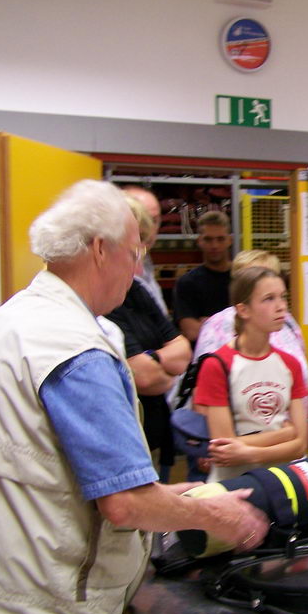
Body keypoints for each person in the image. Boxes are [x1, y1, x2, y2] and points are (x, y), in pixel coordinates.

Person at [0, 180, 267, 614]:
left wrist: (173, 498)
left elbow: (57, 469)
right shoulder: (74, 349)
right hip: (49, 607)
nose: (137, 270)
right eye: (134, 253)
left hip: (2, 586)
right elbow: (123, 502)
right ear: (99, 249)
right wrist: (220, 517)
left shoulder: (16, 318)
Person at [194, 266, 308, 482]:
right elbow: (224, 448)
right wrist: (285, 434)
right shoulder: (217, 365)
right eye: (268, 299)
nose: (281, 307)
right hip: (233, 484)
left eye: (282, 297)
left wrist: (250, 452)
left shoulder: (290, 364)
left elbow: (300, 445)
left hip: (280, 481)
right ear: (243, 310)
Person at [107, 195, 191, 483]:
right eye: (134, 247)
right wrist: (159, 363)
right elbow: (142, 377)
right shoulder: (104, 303)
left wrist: (153, 361)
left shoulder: (137, 290)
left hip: (156, 434)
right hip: (126, 447)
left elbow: (182, 350)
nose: (140, 260)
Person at [174, 210, 233, 344]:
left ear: (230, 240)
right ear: (199, 241)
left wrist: (208, 323)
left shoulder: (241, 278)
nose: (214, 245)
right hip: (203, 359)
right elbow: (191, 331)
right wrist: (232, 326)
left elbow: (254, 325)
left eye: (220, 239)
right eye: (208, 239)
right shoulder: (187, 283)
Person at [123, 185, 169, 317]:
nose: (150, 229)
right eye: (143, 220)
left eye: (155, 220)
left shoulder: (146, 263)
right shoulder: (115, 274)